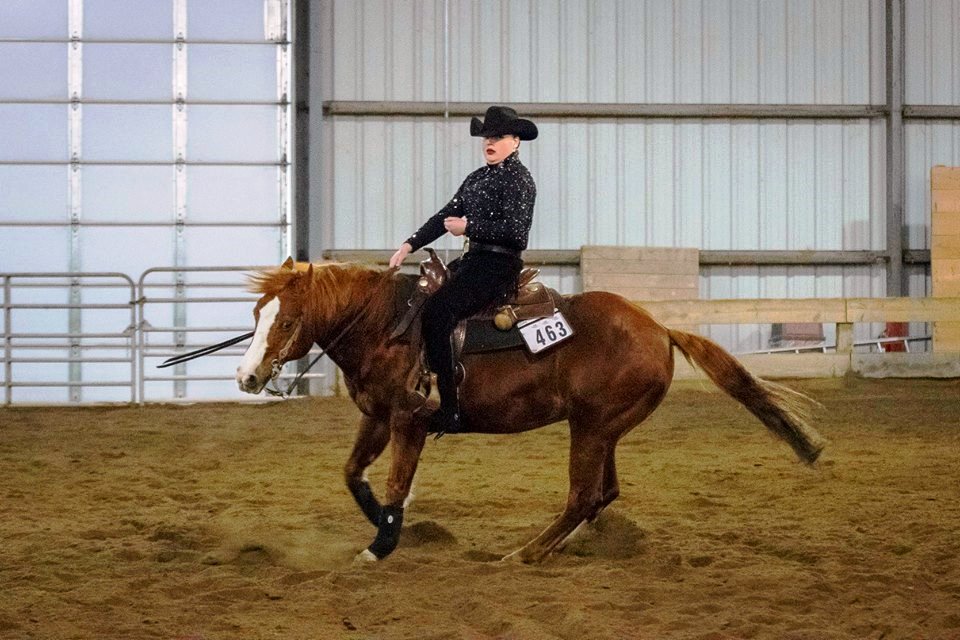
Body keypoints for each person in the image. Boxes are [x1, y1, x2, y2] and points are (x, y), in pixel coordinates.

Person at [389, 105, 538, 435]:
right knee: (421, 299)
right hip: (474, 261)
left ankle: (450, 410)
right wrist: (409, 245)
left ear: (515, 141)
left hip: (499, 265)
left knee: (439, 311)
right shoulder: (476, 179)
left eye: (498, 137)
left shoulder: (519, 179)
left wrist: (469, 227)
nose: (490, 142)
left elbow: (517, 234)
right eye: (487, 137)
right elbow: (445, 216)